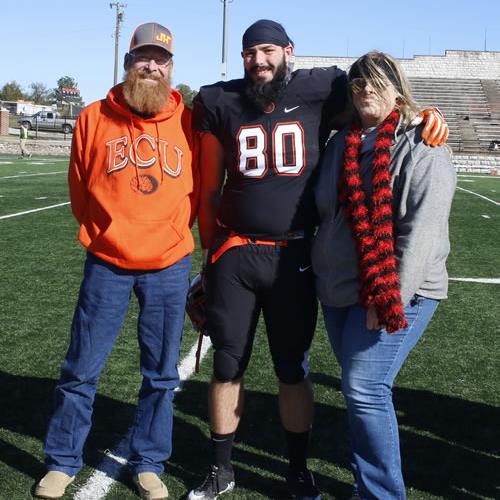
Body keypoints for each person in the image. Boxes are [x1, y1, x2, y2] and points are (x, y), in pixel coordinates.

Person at [188, 20, 448, 500]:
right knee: (228, 364)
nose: (259, 61)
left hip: (300, 258)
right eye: (250, 53)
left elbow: (383, 100)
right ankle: (221, 467)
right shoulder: (223, 101)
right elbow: (205, 180)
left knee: (305, 370)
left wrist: (424, 112)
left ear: (290, 51)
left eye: (268, 50)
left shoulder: (324, 89)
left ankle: (305, 471)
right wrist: (208, 257)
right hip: (248, 257)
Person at [34, 22, 197, 500]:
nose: (151, 65)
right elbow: (80, 190)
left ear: (171, 68)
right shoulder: (92, 118)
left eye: (160, 59)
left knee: (161, 373)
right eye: (142, 57)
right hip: (107, 261)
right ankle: (63, 461)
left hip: (168, 264)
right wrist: (105, 233)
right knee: (81, 367)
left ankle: (149, 462)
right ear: (128, 63)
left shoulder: (189, 122)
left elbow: (199, 189)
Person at [311, 51, 456, 499]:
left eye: (377, 81)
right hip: (339, 289)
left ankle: (380, 495)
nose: (367, 90)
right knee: (361, 394)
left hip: (394, 291)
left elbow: (423, 232)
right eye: (358, 84)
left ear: (397, 87)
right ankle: (365, 486)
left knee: (365, 387)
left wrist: (387, 295)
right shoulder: (342, 142)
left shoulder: (422, 143)